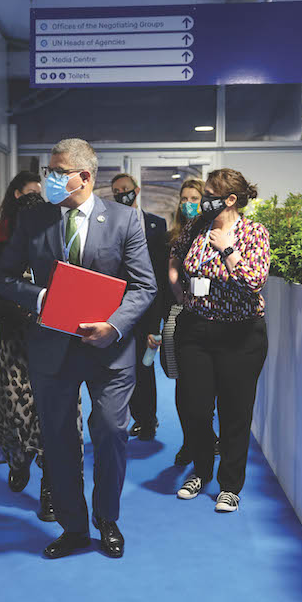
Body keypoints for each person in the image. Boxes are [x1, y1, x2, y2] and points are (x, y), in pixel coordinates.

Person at [0, 138, 156, 559]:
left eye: (58, 172)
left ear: (85, 176)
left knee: (112, 433)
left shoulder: (124, 220)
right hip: (51, 349)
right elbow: (2, 276)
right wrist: (39, 298)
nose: (50, 178)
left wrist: (114, 327)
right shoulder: (34, 220)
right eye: (49, 170)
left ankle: (108, 519)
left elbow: (144, 286)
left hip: (110, 352)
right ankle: (74, 527)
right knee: (59, 439)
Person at [0, 172, 83, 523]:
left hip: (57, 346)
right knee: (17, 411)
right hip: (16, 347)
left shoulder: (63, 248)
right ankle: (19, 458)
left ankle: (50, 491)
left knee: (55, 419)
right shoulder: (6, 250)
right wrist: (23, 308)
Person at [168, 168, 269, 513]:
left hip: (241, 334)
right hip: (195, 329)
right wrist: (175, 283)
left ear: (229, 199)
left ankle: (230, 485)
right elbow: (175, 253)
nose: (203, 197)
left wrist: (228, 250)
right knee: (195, 408)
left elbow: (254, 280)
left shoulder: (254, 233)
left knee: (234, 413)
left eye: (209, 192)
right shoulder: (197, 228)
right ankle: (200, 470)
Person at [110, 172, 169, 442]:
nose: (122, 193)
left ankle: (148, 419)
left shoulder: (156, 225)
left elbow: (159, 274)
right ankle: (133, 417)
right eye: (116, 190)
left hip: (149, 308)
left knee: (145, 367)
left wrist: (156, 321)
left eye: (126, 188)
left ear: (137, 189)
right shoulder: (110, 223)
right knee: (123, 366)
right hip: (119, 308)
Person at [167, 178, 221, 466]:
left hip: (211, 314)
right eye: (184, 198)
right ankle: (190, 441)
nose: (188, 203)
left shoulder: (215, 233)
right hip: (178, 315)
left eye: (194, 198)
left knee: (205, 387)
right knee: (182, 385)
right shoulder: (174, 235)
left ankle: (206, 437)